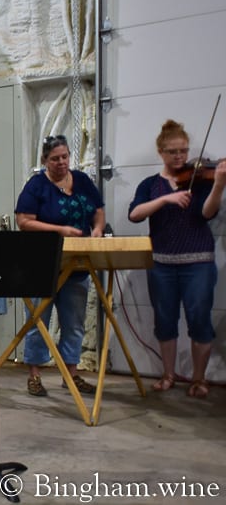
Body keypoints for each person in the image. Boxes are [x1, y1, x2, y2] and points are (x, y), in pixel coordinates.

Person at [128, 120, 225, 399]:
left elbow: (207, 213)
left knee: (199, 319)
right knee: (165, 320)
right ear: (161, 152)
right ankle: (168, 375)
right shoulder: (150, 184)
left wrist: (218, 185)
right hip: (161, 264)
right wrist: (166, 200)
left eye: (184, 151)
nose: (180, 157)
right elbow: (135, 214)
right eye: (173, 152)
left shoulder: (200, 180)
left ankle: (199, 379)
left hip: (198, 263)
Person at [15, 135, 105, 397]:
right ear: (45, 160)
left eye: (65, 157)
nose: (61, 162)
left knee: (74, 323)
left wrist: (97, 230)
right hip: (41, 265)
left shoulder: (83, 181)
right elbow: (24, 221)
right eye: (55, 159)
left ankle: (71, 374)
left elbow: (98, 210)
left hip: (76, 265)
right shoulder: (36, 185)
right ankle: (34, 375)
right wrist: (60, 230)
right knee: (38, 322)